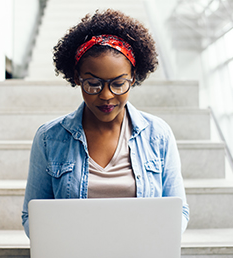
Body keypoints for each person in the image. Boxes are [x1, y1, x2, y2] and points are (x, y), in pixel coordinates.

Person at [22, 9, 189, 238]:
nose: (106, 96)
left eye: (119, 84)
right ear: (77, 78)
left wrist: (155, 241)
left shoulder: (158, 135)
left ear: (133, 77)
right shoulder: (49, 138)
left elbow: (179, 211)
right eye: (93, 83)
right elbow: (32, 216)